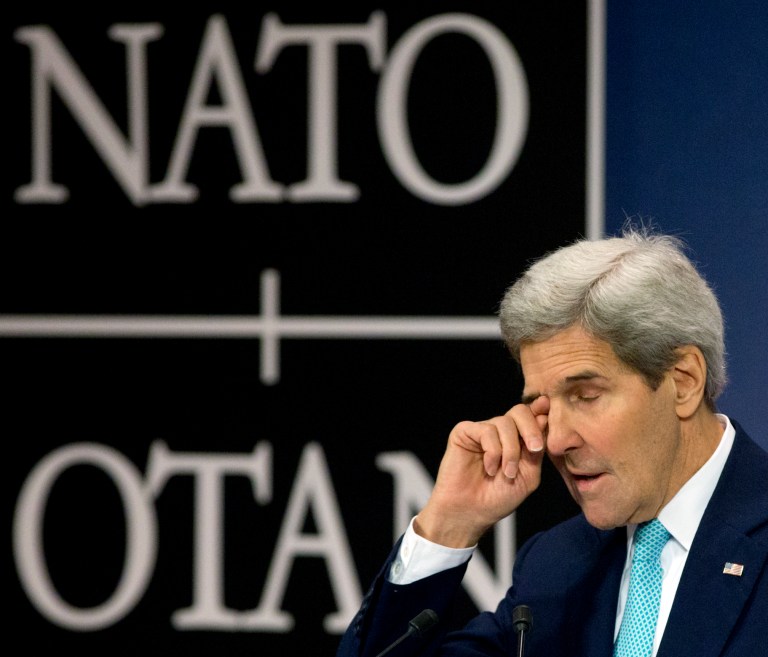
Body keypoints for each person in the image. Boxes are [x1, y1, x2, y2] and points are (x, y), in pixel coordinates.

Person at [336, 226, 767, 657]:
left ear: (684, 381)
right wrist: (449, 525)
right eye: (540, 407)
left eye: (586, 396)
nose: (555, 441)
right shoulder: (556, 565)